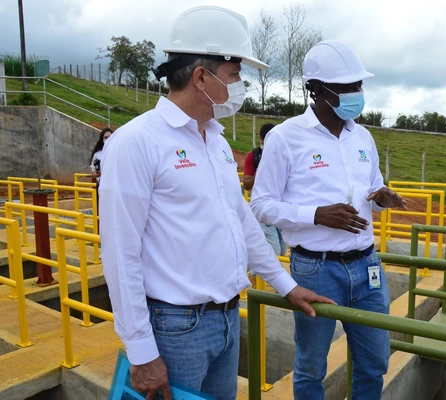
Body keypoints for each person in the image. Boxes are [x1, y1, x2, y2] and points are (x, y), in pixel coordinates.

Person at [99, 7, 333, 400]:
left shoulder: (216, 142)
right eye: (235, 75)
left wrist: (286, 286)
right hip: (175, 328)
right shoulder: (137, 142)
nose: (240, 86)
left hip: (226, 319)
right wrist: (142, 351)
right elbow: (121, 253)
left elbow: (241, 222)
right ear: (201, 77)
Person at [251, 40, 406, 400]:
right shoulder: (285, 138)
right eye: (347, 87)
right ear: (317, 90)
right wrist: (316, 215)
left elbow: (373, 189)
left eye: (359, 85)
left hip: (367, 266)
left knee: (374, 362)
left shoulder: (362, 136)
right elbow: (261, 204)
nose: (357, 94)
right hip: (315, 269)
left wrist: (383, 199)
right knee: (310, 367)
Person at [243, 123, 287, 258]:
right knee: (273, 250)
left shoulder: (284, 154)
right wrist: (261, 170)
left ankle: (253, 274)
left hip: (282, 208)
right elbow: (246, 185)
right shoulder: (254, 156)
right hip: (263, 208)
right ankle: (254, 277)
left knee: (283, 249)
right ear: (261, 139)